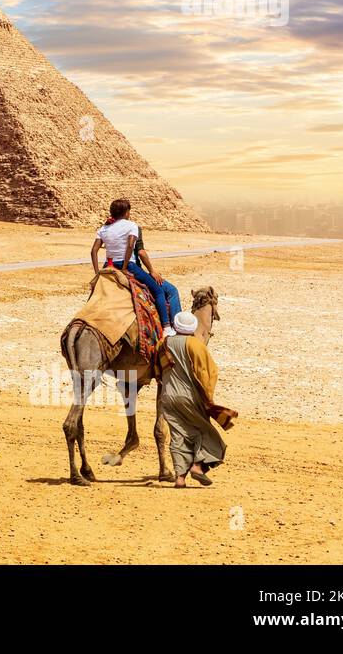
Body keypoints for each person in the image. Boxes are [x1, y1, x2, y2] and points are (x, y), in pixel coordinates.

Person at [159, 311, 234, 487]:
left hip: (168, 397)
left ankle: (180, 478)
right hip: (189, 397)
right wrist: (209, 399)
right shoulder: (196, 345)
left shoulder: (163, 343)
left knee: (178, 435)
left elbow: (158, 368)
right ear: (192, 327)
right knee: (206, 432)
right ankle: (199, 466)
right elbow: (207, 372)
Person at [89, 198, 174, 336]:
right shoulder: (131, 226)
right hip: (128, 265)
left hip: (108, 265)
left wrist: (97, 273)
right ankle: (166, 327)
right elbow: (130, 246)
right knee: (158, 290)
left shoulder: (103, 229)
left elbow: (93, 251)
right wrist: (124, 267)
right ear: (127, 212)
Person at [133, 230, 182, 322]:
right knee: (171, 291)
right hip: (134, 269)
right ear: (127, 214)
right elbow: (141, 253)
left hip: (110, 266)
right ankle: (174, 325)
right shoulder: (133, 227)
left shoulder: (107, 227)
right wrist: (152, 271)